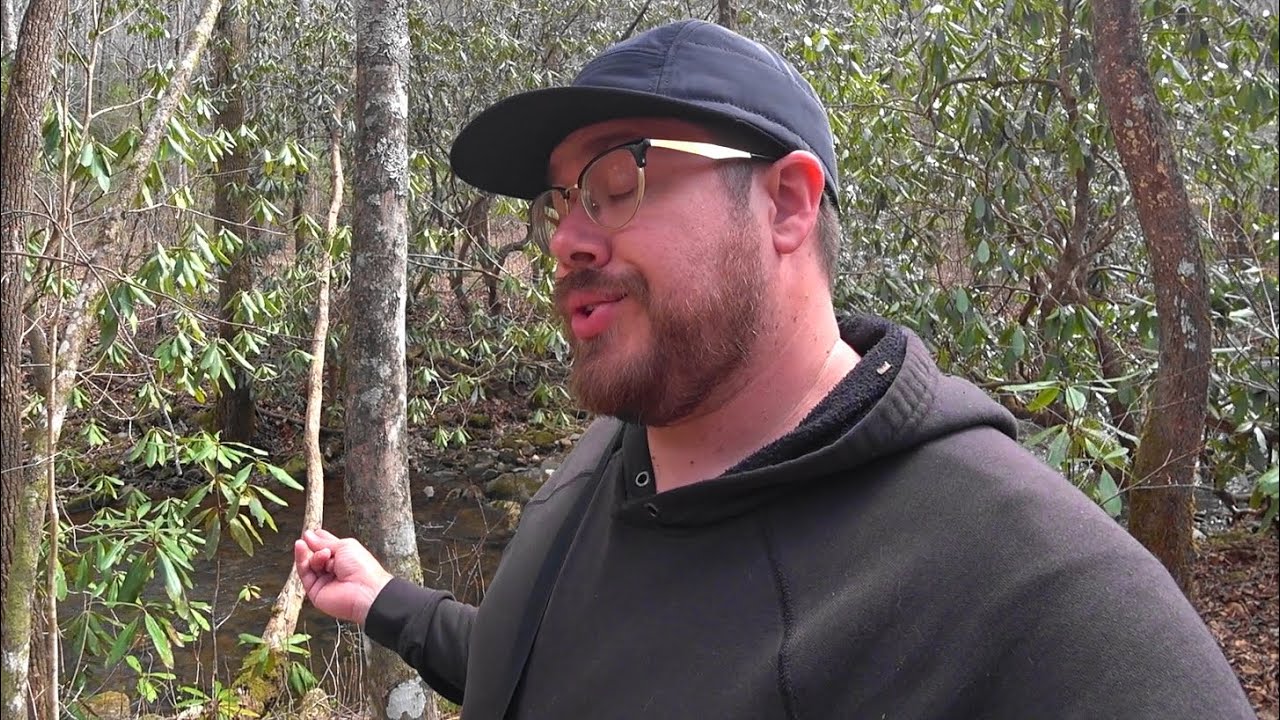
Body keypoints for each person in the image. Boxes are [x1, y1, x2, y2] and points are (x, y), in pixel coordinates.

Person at [294, 19, 1254, 720]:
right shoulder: (616, 451)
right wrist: (387, 601)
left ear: (789, 205)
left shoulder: (1046, 601)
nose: (568, 239)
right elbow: (552, 663)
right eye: (559, 202)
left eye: (619, 180)